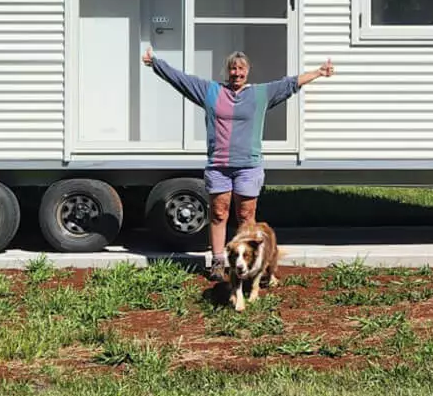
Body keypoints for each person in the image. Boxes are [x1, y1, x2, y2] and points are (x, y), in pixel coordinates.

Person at [142, 45, 335, 280]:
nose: (237, 73)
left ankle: (252, 263)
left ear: (248, 71)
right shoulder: (210, 91)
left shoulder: (261, 94)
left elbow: (291, 84)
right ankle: (217, 262)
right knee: (219, 214)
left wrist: (319, 72)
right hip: (219, 166)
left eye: (241, 68)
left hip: (249, 166)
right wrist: (156, 63)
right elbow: (181, 80)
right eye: (233, 68)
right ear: (227, 71)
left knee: (246, 215)